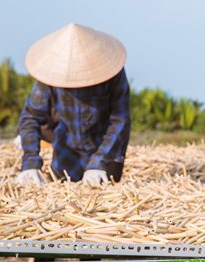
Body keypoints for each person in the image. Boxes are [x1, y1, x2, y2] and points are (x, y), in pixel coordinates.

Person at [15, 24, 131, 187]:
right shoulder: (50, 76)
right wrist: (30, 163)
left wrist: (99, 162)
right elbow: (31, 117)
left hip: (106, 155)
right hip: (66, 154)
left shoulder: (113, 74)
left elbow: (120, 120)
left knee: (102, 201)